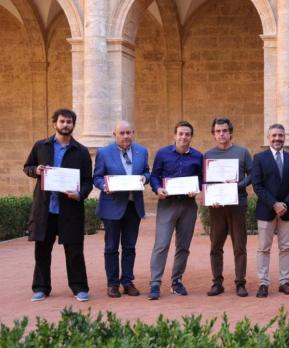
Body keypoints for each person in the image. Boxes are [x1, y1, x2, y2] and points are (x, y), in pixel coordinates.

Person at [23, 108, 93, 302]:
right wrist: (35, 170)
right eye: (62, 121)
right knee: (42, 251)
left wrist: (79, 194)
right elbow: (27, 166)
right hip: (45, 208)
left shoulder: (81, 151)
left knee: (74, 250)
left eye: (69, 122)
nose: (65, 125)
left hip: (70, 209)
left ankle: (79, 287)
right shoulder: (41, 146)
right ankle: (41, 288)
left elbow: (88, 180)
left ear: (73, 125)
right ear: (55, 123)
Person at [93, 121, 150, 298]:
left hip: (134, 206)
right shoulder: (103, 153)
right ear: (114, 134)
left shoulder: (142, 151)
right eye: (122, 133)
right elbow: (97, 177)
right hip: (112, 206)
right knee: (111, 247)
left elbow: (147, 172)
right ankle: (112, 284)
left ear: (133, 133)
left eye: (128, 132)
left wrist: (144, 178)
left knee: (129, 247)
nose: (126, 136)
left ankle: (127, 281)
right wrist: (105, 186)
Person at [147, 121, 203, 300]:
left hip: (188, 205)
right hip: (167, 204)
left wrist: (198, 189)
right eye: (180, 133)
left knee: (183, 246)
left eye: (187, 134)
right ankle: (155, 283)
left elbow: (202, 179)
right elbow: (155, 176)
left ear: (191, 137)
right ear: (174, 135)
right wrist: (157, 189)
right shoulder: (163, 154)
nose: (183, 137)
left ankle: (176, 281)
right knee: (161, 244)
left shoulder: (198, 156)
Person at [252, 123, 289, 298]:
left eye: (280, 135)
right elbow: (257, 186)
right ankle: (263, 283)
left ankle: (284, 282)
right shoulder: (259, 158)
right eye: (274, 135)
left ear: (284, 137)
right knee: (263, 249)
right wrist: (274, 204)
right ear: (268, 137)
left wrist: (285, 204)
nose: (277, 138)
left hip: (287, 212)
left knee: (286, 248)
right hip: (266, 210)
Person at [204, 117, 253, 298]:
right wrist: (210, 196)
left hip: (237, 204)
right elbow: (204, 181)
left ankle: (240, 283)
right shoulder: (208, 156)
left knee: (239, 245)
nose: (221, 134)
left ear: (230, 132)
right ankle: (217, 283)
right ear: (213, 134)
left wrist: (238, 185)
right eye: (218, 131)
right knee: (215, 245)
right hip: (216, 206)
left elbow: (252, 174)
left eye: (224, 131)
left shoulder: (242, 152)